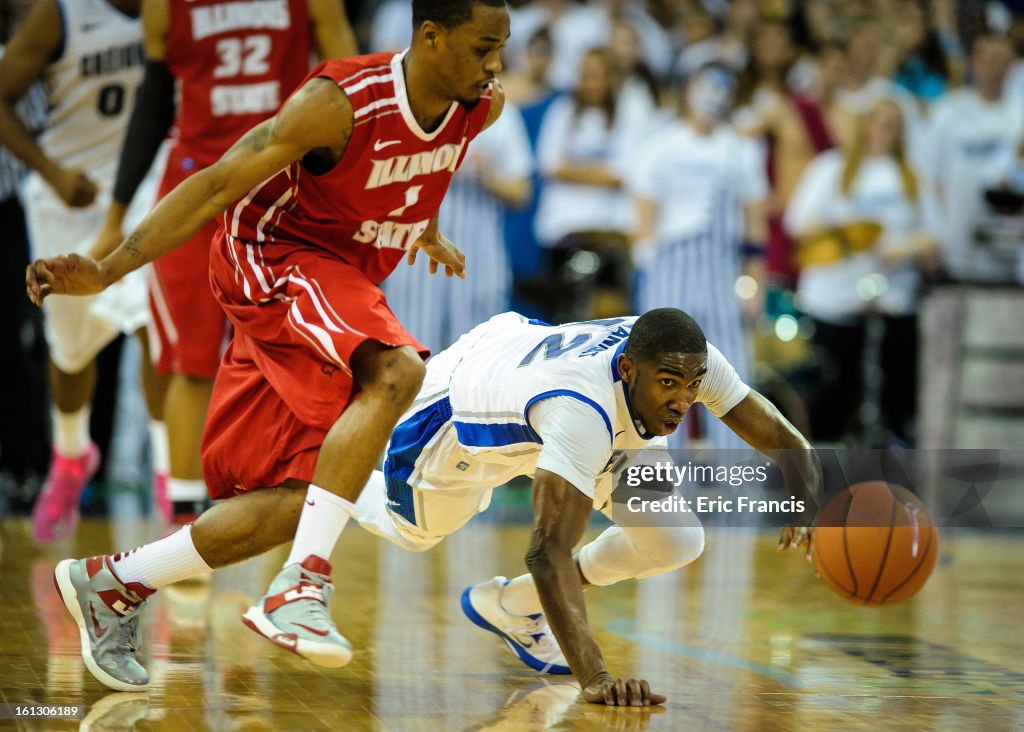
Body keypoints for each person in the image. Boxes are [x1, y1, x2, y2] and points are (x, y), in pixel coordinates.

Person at [28, 0, 510, 692]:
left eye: (502, 48)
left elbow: (424, 162)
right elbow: (217, 185)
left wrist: (422, 225)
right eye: (483, 47)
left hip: (334, 277)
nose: (495, 65)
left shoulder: (479, 105)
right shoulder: (337, 101)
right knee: (396, 370)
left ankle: (114, 581)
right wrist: (107, 269)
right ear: (430, 37)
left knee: (301, 496)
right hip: (272, 255)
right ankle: (301, 588)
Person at [92, 0, 355, 524]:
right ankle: (186, 517)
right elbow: (152, 105)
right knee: (190, 363)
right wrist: (116, 216)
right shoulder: (164, 7)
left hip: (281, 187)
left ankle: (287, 508)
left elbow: (352, 91)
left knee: (293, 357)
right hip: (194, 184)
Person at [0, 0, 165, 542]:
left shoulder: (171, 12)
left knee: (156, 324)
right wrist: (49, 170)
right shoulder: (61, 14)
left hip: (146, 187)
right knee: (70, 352)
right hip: (67, 195)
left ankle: (172, 477)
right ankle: (71, 457)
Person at [785, 98, 939, 445]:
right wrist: (851, 234)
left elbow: (934, 235)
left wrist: (907, 247)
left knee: (897, 387)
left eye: (893, 123)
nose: (883, 130)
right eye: (877, 121)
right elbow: (799, 223)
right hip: (837, 297)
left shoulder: (911, 174)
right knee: (834, 387)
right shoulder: (831, 168)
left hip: (893, 297)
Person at [630, 64, 768, 450]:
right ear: (688, 90)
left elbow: (754, 224)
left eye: (722, 88)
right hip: (670, 273)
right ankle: (661, 485)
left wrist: (754, 285)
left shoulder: (742, 150)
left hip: (722, 278)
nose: (713, 96)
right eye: (705, 86)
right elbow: (643, 216)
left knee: (732, 379)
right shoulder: (661, 145)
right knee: (661, 378)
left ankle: (740, 487)